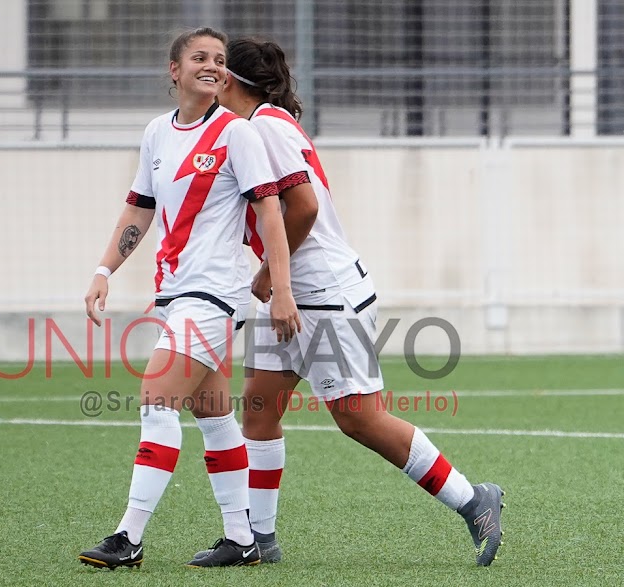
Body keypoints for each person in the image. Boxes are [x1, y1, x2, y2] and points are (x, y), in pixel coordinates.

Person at [195, 37, 504, 566]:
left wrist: (272, 273)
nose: (212, 76)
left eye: (219, 69)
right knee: (261, 412)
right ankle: (258, 541)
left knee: (359, 418)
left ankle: (474, 500)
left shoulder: (262, 127)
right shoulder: (258, 125)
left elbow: (304, 207)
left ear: (231, 82)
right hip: (292, 294)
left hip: (321, 294)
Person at [77, 27, 301, 570]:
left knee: (156, 396)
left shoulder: (236, 133)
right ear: (173, 70)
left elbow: (271, 211)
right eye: (199, 57)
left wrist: (281, 290)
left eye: (220, 60)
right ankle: (242, 538)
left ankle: (128, 537)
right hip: (175, 295)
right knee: (214, 416)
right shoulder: (157, 132)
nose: (212, 66)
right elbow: (138, 209)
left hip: (215, 295)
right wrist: (105, 268)